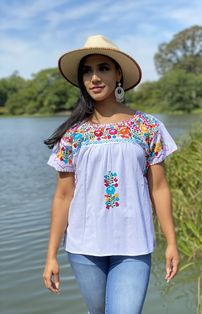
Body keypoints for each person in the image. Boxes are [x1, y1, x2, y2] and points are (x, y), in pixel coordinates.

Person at [43, 34, 180, 314]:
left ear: (118, 73)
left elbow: (159, 188)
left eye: (103, 68)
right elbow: (63, 196)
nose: (94, 77)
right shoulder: (73, 135)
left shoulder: (147, 126)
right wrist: (51, 255)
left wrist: (171, 242)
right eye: (87, 71)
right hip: (84, 246)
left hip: (134, 244)